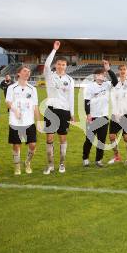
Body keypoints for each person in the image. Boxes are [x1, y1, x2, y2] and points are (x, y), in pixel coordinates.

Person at [42, 41, 75, 174]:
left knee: (63, 138)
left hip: (65, 111)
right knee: (49, 138)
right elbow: (46, 65)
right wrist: (54, 50)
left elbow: (71, 97)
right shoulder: (50, 76)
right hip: (51, 110)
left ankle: (62, 163)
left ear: (66, 66)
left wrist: (72, 113)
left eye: (63, 64)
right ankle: (50, 164)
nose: (61, 66)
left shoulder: (70, 80)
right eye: (59, 64)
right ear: (56, 65)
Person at [82, 60, 118, 167]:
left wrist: (108, 69)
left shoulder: (107, 85)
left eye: (102, 74)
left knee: (101, 140)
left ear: (104, 75)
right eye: (98, 75)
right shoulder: (90, 87)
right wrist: (88, 114)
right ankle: (85, 158)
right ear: (94, 76)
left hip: (104, 117)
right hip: (92, 117)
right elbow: (87, 101)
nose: (100, 76)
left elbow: (115, 81)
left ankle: (98, 160)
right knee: (89, 139)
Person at [6, 65, 40, 175]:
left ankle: (27, 162)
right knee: (16, 145)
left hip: (29, 122)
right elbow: (8, 102)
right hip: (15, 122)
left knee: (33, 145)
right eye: (25, 71)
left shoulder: (32, 89)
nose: (27, 73)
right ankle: (17, 166)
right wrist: (15, 110)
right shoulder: (11, 88)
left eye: (29, 71)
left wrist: (38, 121)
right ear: (19, 73)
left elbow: (35, 106)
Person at [108, 55, 127, 165]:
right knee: (111, 136)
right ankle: (116, 156)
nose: (122, 71)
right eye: (121, 70)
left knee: (126, 137)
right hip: (115, 114)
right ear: (118, 71)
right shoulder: (115, 83)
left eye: (124, 69)